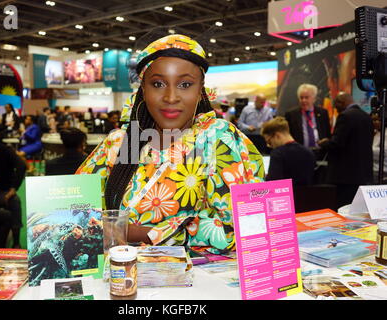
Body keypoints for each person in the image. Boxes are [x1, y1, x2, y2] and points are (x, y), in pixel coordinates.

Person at [76, 34, 265, 254]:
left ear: (200, 89)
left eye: (185, 84)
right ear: (143, 90)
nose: (171, 97)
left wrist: (144, 234)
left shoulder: (217, 139)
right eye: (158, 84)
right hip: (119, 278)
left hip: (193, 283)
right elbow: (73, 210)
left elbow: (247, 227)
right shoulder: (118, 143)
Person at [318, 92, 374, 208]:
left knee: (343, 208)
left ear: (341, 103)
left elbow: (337, 143)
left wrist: (324, 143)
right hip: (363, 174)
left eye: (336, 105)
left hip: (345, 175)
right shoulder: (366, 117)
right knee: (357, 210)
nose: (336, 109)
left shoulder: (345, 116)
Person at [261, 117, 315, 186]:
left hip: (286, 195)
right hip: (306, 196)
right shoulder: (309, 152)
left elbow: (273, 184)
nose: (270, 146)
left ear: (277, 135)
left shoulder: (278, 154)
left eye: (269, 142)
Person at [284, 83, 331, 160]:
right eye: (301, 98)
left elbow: (327, 133)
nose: (303, 100)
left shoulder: (323, 113)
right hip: (299, 154)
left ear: (314, 98)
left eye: (306, 97)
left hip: (320, 153)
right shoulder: (291, 114)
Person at [372, 113, 387, 184]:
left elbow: (384, 151)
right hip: (374, 169)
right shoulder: (377, 133)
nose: (374, 122)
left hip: (382, 170)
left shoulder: (385, 134)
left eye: (377, 120)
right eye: (373, 120)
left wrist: (367, 150)